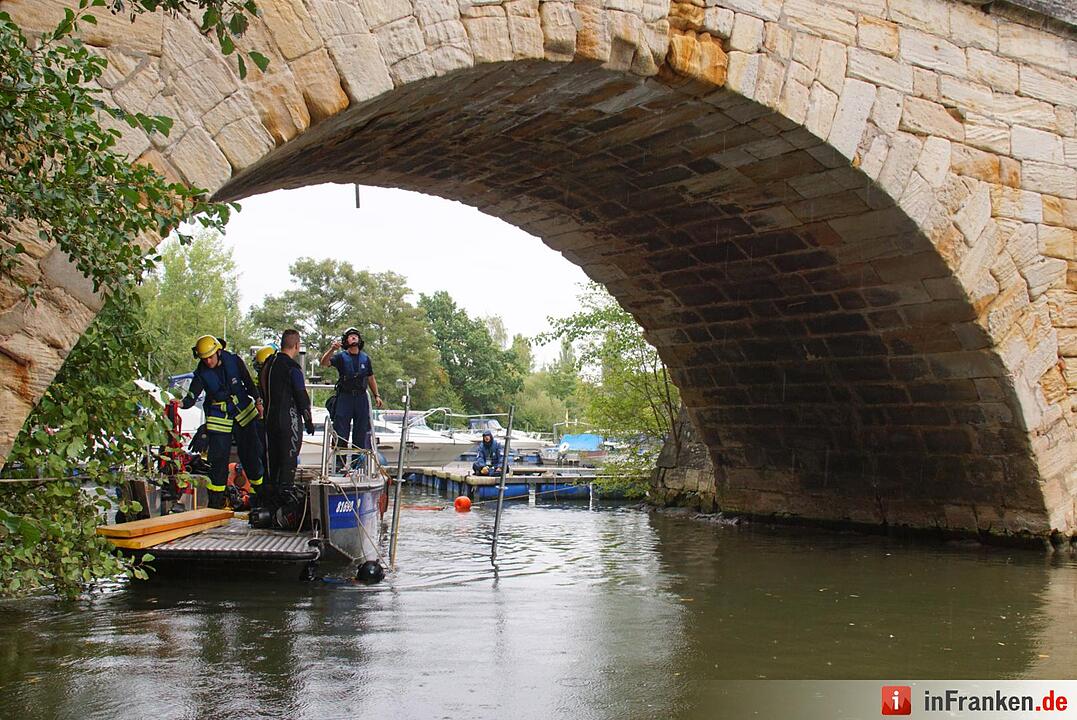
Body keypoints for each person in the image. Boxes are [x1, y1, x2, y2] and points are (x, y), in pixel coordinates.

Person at [182, 335, 265, 509]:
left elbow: (249, 383)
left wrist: (258, 402)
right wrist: (179, 403)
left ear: (218, 352)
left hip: (243, 412)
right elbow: (191, 397)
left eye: (210, 357)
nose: (208, 361)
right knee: (217, 461)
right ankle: (216, 504)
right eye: (204, 359)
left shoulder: (234, 362)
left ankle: (261, 497)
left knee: (251, 455)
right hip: (219, 417)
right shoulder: (201, 374)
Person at [264, 329, 314, 505]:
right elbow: (301, 394)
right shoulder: (293, 367)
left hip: (270, 419)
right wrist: (308, 420)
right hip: (288, 419)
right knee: (288, 461)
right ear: (297, 345)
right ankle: (284, 504)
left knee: (272, 462)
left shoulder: (269, 364)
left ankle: (269, 504)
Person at [320, 327, 383, 456]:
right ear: (346, 340)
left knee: (361, 431)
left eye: (356, 336)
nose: (354, 337)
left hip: (360, 398)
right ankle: (339, 464)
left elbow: (371, 378)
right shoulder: (341, 357)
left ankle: (357, 464)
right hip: (345, 397)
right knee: (341, 431)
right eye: (350, 336)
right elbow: (324, 363)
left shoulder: (365, 358)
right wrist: (332, 349)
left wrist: (377, 395)